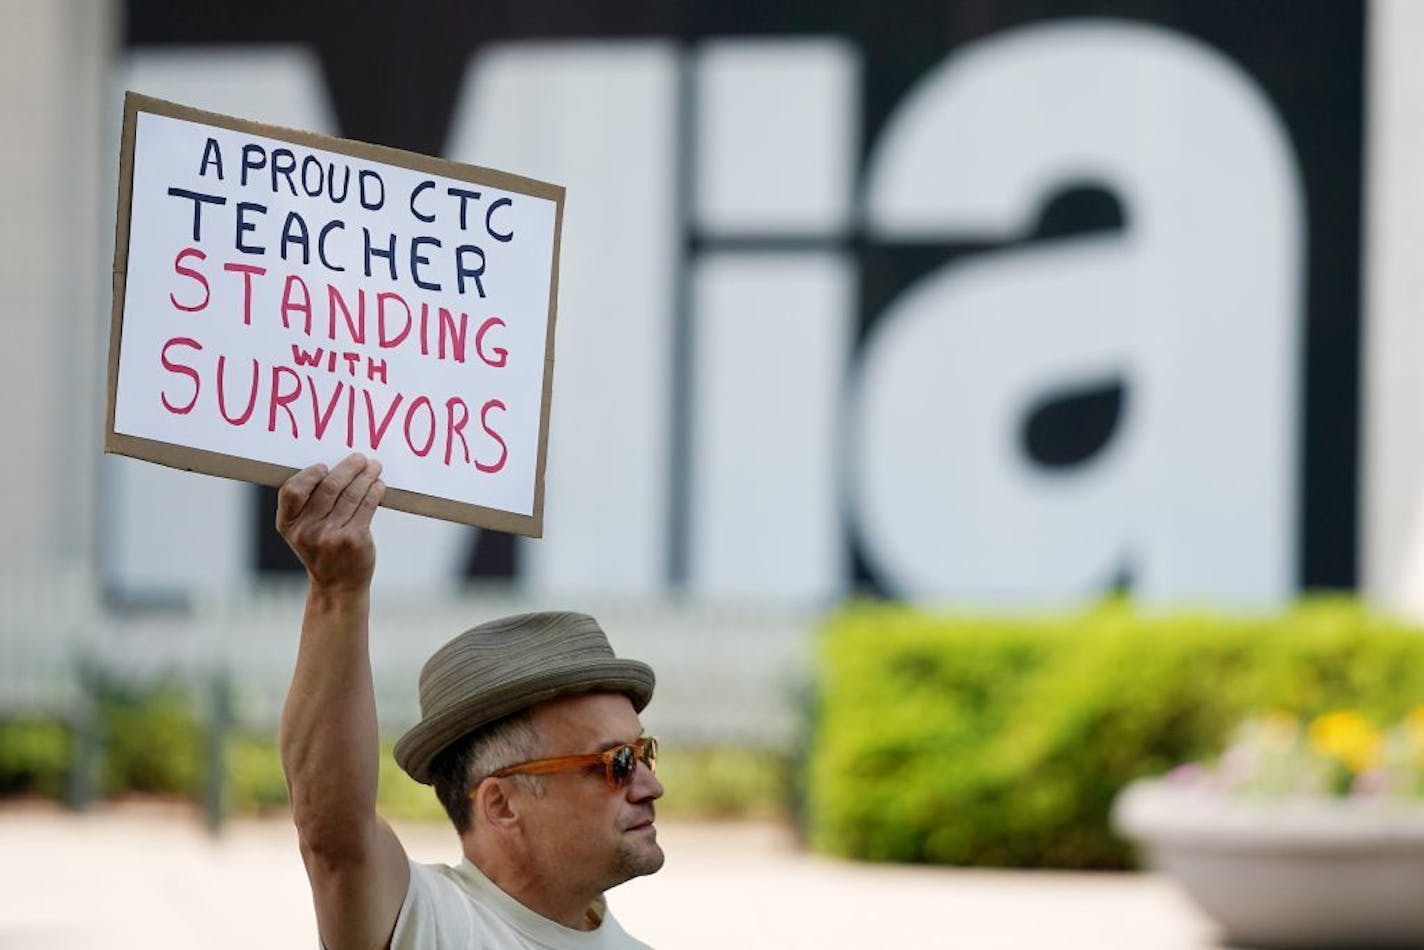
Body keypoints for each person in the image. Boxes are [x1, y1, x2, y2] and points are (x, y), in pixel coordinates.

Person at [276, 452, 664, 949]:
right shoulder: (433, 923)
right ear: (501, 805)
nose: (652, 786)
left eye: (644, 752)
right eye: (618, 761)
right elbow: (333, 835)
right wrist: (336, 590)